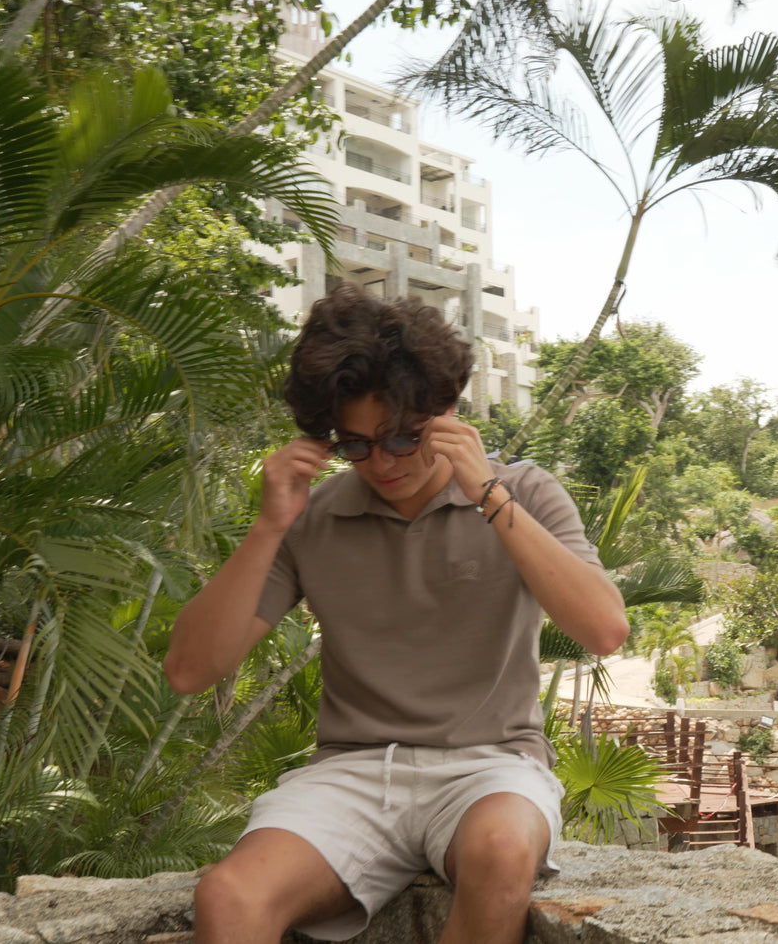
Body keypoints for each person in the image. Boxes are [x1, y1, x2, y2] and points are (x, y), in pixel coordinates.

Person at [164, 284, 628, 944]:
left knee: (501, 855)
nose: (382, 464)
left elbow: (604, 630)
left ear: (447, 412)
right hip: (351, 774)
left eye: (404, 439)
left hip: (490, 768)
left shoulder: (523, 493)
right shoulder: (312, 518)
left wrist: (488, 498)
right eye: (355, 446)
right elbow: (188, 670)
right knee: (229, 896)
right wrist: (268, 527)